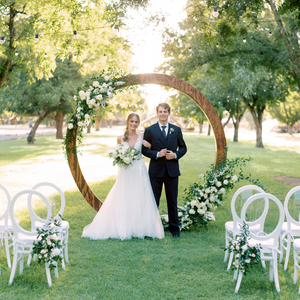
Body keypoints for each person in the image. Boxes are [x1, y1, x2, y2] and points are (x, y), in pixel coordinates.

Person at [82, 113, 164, 240]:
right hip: (125, 171)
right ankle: (124, 225)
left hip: (139, 170)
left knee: (140, 196)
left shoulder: (142, 136)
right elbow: (118, 154)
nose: (134, 124)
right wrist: (121, 159)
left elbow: (150, 147)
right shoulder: (120, 138)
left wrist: (149, 145)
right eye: (131, 121)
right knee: (125, 195)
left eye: (136, 122)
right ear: (127, 122)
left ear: (138, 123)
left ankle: (140, 226)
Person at [142, 103, 187, 238]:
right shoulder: (149, 130)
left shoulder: (176, 130)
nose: (162, 114)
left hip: (172, 171)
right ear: (157, 113)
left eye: (165, 111)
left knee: (172, 201)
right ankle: (151, 229)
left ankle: (174, 230)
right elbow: (144, 149)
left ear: (169, 113)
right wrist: (157, 154)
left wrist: (175, 155)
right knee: (153, 201)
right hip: (156, 172)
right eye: (160, 111)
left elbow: (183, 148)